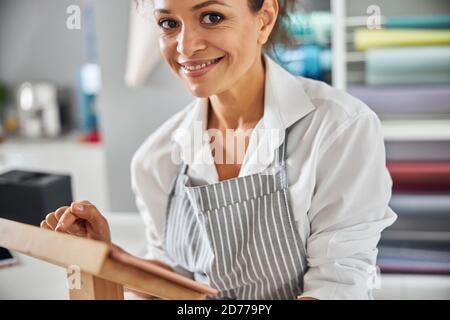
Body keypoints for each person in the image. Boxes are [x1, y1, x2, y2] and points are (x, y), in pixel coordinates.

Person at [40, 0, 397, 300]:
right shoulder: (156, 157)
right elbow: (178, 281)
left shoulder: (338, 128)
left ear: (264, 18)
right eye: (168, 23)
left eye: (211, 17)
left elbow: (338, 283)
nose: (186, 46)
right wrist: (108, 258)